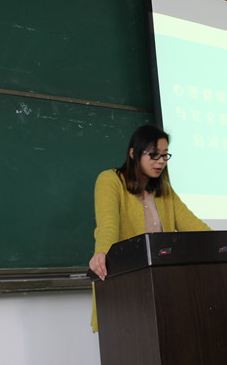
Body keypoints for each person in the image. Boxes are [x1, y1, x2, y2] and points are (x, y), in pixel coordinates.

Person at [89, 124, 211, 332]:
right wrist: (101, 253)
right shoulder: (110, 180)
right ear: (133, 153)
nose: (161, 161)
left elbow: (194, 226)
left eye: (165, 155)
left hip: (163, 286)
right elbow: (108, 225)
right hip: (127, 284)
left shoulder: (164, 190)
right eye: (154, 155)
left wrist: (226, 246)